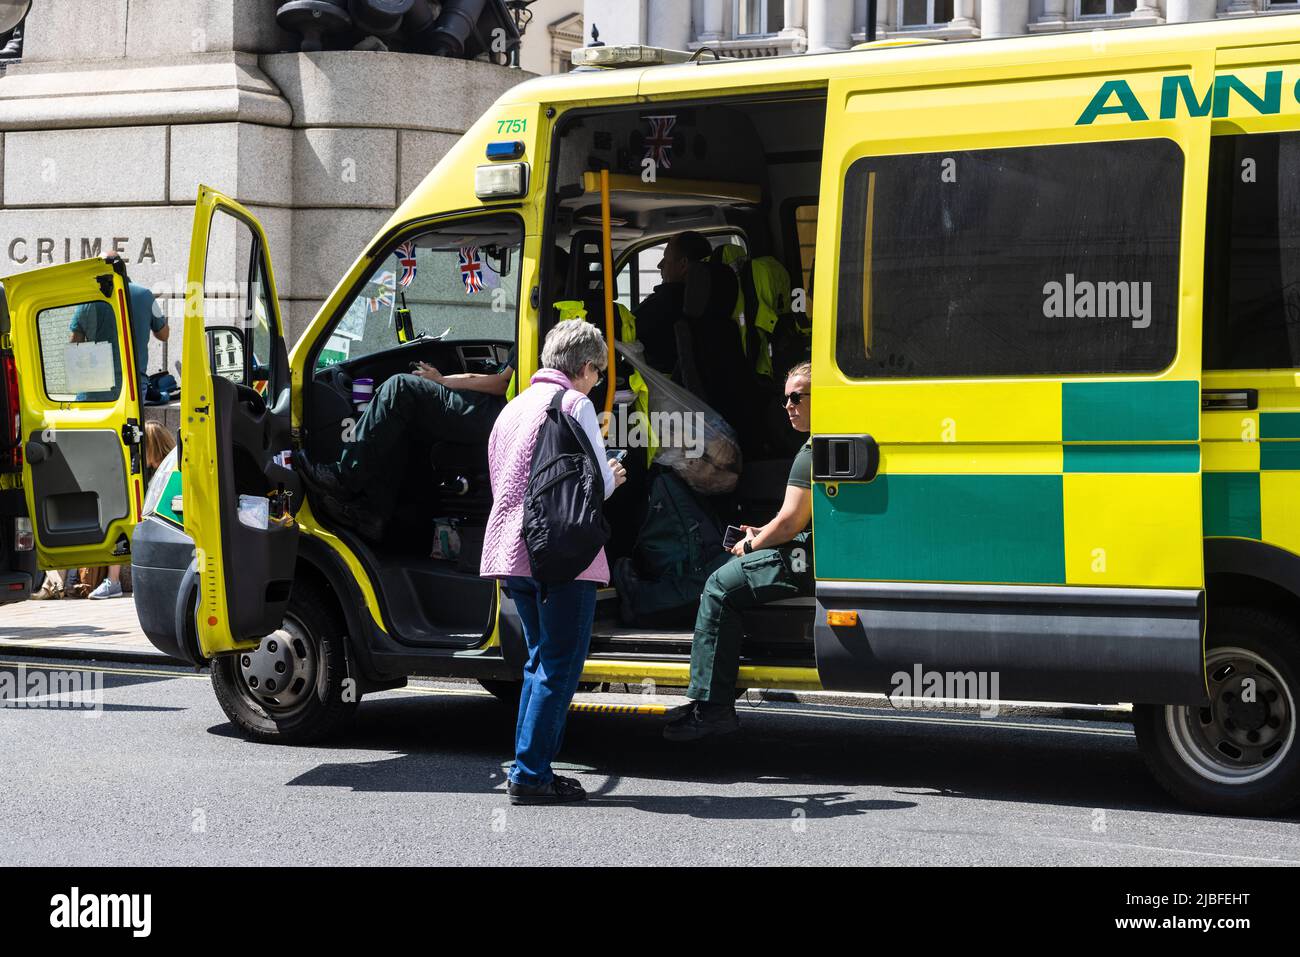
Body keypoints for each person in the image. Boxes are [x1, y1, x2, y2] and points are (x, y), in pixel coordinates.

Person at [296, 249, 572, 542]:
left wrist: (441, 381)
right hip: (513, 412)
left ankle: (342, 478)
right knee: (404, 420)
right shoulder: (560, 321)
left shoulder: (545, 324)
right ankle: (373, 514)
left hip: (502, 413)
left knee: (399, 389)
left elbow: (500, 384)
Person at [480, 320, 627, 805]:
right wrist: (616, 477)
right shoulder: (574, 404)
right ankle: (530, 774)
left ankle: (528, 768)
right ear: (584, 367)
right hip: (560, 556)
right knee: (560, 667)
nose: (596, 382)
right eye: (598, 373)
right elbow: (594, 486)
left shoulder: (512, 409)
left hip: (511, 553)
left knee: (539, 662)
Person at [663, 360, 815, 741]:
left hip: (806, 558)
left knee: (718, 587)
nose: (789, 406)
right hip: (813, 550)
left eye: (797, 397)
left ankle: (713, 709)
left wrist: (753, 543)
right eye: (785, 400)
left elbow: (792, 522)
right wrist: (764, 531)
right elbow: (793, 519)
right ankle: (709, 696)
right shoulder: (821, 442)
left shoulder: (812, 450)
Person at [88, 422, 177, 600]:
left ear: (151, 445)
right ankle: (113, 582)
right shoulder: (157, 467)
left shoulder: (170, 468)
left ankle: (114, 582)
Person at [69, 255, 169, 402]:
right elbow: (163, 335)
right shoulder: (145, 295)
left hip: (94, 390)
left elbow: (74, 343)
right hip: (132, 389)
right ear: (123, 270)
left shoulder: (87, 299)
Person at [632, 231, 713, 373]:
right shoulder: (714, 304)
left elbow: (625, 330)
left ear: (683, 264)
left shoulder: (664, 303)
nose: (659, 265)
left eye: (666, 259)